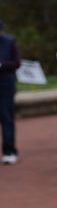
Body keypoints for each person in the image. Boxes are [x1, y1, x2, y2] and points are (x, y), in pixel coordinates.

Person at [0, 20, 19, 165]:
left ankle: (10, 151)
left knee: (7, 118)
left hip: (5, 85)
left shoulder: (9, 42)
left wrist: (2, 64)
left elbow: (17, 63)